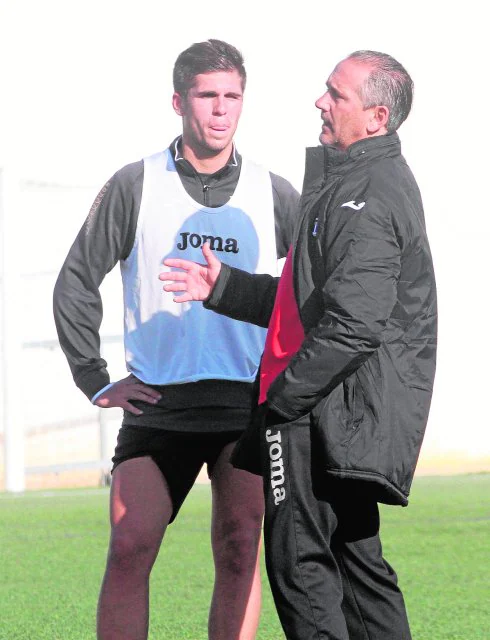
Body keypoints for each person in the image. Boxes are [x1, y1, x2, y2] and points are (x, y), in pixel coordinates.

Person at [160, 50, 437, 640]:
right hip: (333, 411)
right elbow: (310, 305)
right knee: (359, 575)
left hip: (319, 415)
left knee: (301, 569)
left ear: (377, 117)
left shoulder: (368, 194)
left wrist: (284, 400)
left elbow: (356, 323)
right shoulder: (351, 182)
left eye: (336, 95)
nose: (320, 101)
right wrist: (227, 289)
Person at [53, 39, 299, 640]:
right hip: (158, 404)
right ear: (178, 101)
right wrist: (94, 377)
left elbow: (314, 291)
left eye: (232, 97)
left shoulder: (275, 191)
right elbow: (77, 279)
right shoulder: (136, 183)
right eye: (207, 95)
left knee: (241, 551)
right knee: (130, 547)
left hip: (246, 405)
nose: (221, 109)